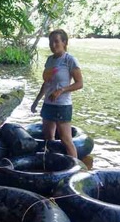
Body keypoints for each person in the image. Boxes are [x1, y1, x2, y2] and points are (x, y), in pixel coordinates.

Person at [31, 29, 83, 158]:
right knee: (48, 137)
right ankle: (53, 164)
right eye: (50, 42)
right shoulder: (50, 60)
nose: (53, 45)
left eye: (56, 41)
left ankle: (75, 168)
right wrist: (37, 101)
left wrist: (61, 90)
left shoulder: (69, 60)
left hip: (62, 105)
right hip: (48, 104)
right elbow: (46, 83)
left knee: (66, 140)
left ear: (64, 42)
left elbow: (79, 83)